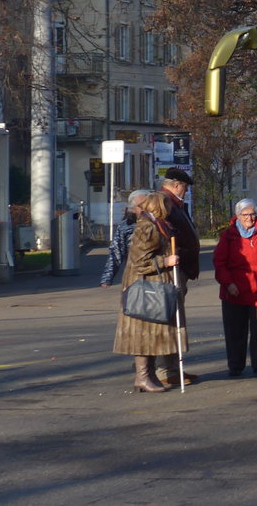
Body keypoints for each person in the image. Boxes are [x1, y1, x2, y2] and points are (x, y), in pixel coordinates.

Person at [111, 191, 183, 393]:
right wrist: (165, 261)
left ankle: (148, 375)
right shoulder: (147, 228)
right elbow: (139, 261)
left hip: (150, 287)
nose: (169, 210)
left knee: (150, 334)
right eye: (167, 206)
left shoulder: (156, 225)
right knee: (143, 334)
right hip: (144, 289)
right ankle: (142, 377)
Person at [213, 198, 257, 377]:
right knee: (235, 331)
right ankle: (236, 366)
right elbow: (220, 263)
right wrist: (228, 283)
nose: (249, 218)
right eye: (245, 215)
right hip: (234, 292)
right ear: (237, 216)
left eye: (252, 214)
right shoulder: (228, 236)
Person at [158, 167, 201, 385]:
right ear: (176, 185)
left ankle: (173, 369)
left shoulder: (174, 203)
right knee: (172, 321)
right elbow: (164, 234)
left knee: (177, 320)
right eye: (184, 187)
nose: (186, 192)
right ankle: (167, 371)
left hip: (180, 269)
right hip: (171, 271)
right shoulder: (165, 203)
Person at [99, 189, 150, 288]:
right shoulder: (126, 226)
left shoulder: (159, 224)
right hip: (134, 274)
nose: (145, 209)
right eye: (141, 206)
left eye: (147, 205)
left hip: (156, 274)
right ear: (133, 208)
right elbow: (116, 251)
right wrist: (107, 278)